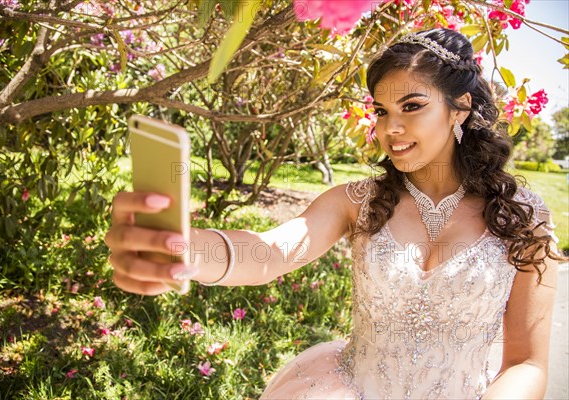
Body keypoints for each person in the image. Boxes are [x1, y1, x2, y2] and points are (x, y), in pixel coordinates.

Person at [104, 28, 564, 399]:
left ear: (459, 110)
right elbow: (271, 252)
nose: (391, 128)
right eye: (381, 111)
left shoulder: (521, 218)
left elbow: (527, 363)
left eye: (412, 106)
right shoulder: (358, 201)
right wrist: (186, 248)